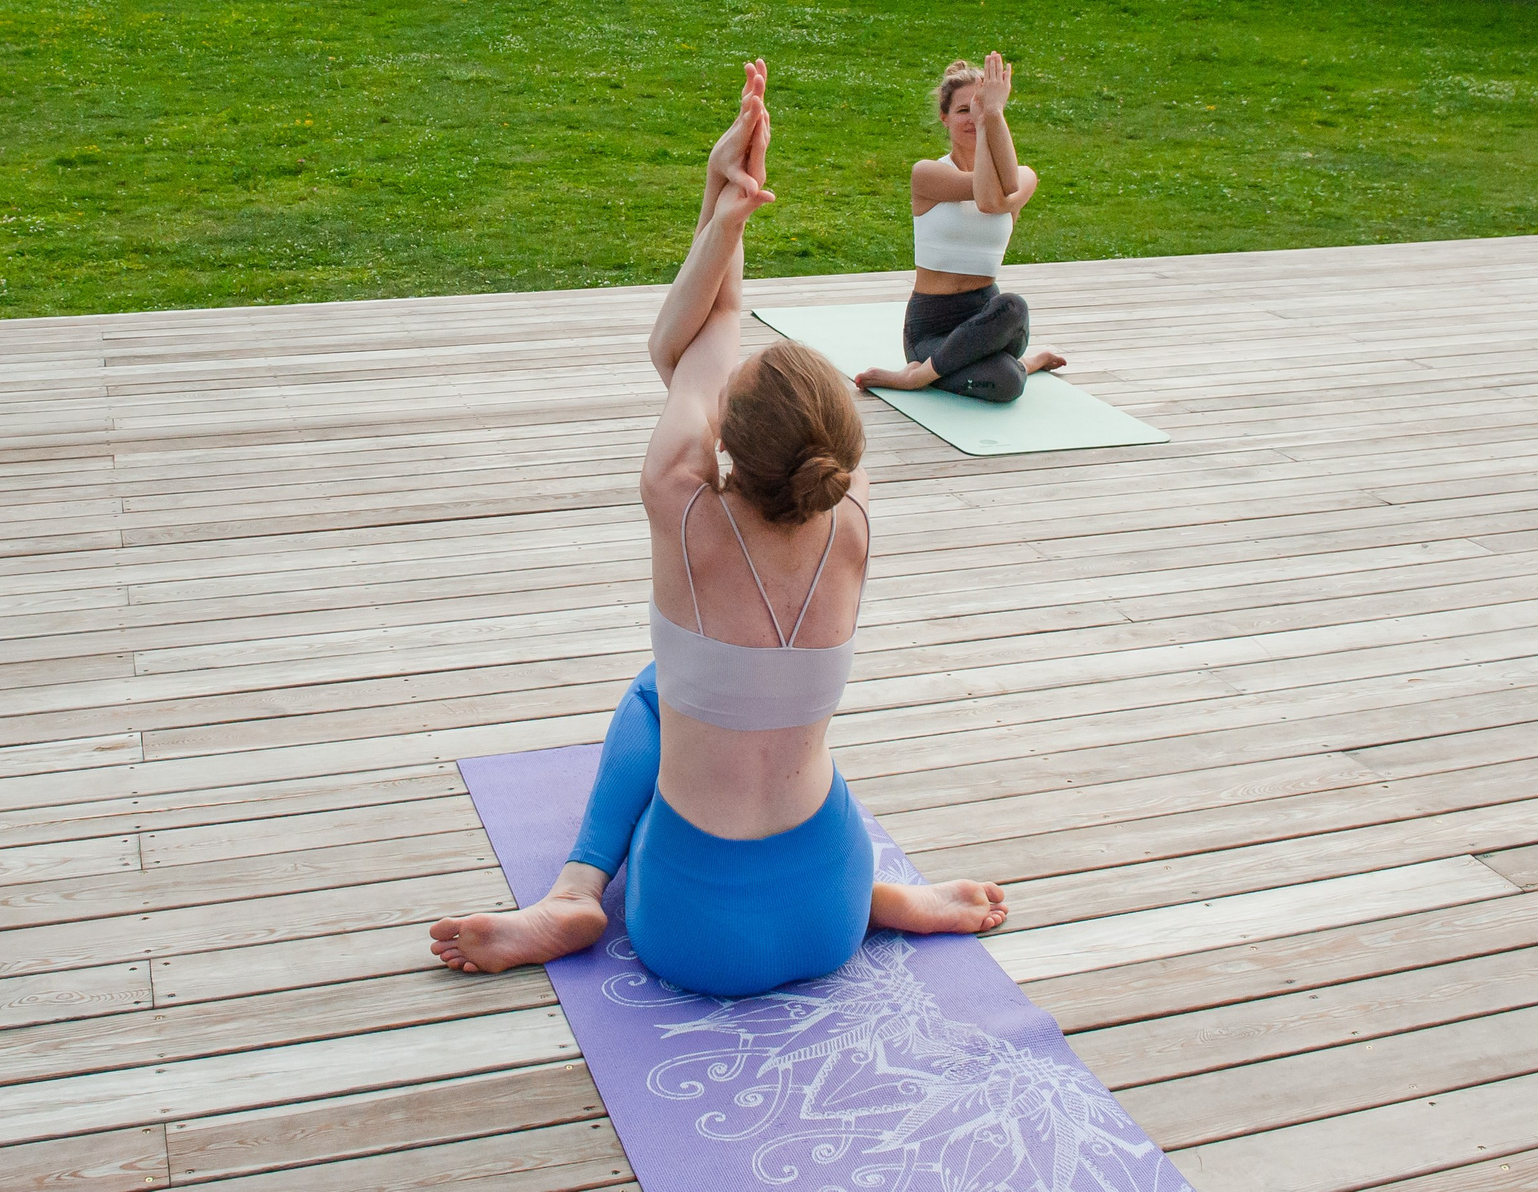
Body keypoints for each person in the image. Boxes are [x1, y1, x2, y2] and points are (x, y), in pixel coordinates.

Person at [428, 62, 1009, 998]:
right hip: (826, 912)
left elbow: (694, 330)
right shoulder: (852, 514)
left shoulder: (679, 501)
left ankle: (577, 890)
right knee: (784, 721)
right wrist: (723, 200)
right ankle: (880, 896)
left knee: (664, 694)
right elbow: (707, 348)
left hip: (689, 931)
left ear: (726, 446)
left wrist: (723, 201)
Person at [854, 53, 1065, 403]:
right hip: (931, 329)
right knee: (1008, 383)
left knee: (1013, 308)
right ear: (945, 118)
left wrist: (992, 117)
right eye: (964, 110)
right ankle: (1007, 366)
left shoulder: (1026, 177)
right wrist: (988, 121)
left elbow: (1002, 187)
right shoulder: (927, 174)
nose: (973, 117)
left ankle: (922, 375)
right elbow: (986, 198)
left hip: (991, 319)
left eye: (981, 107)